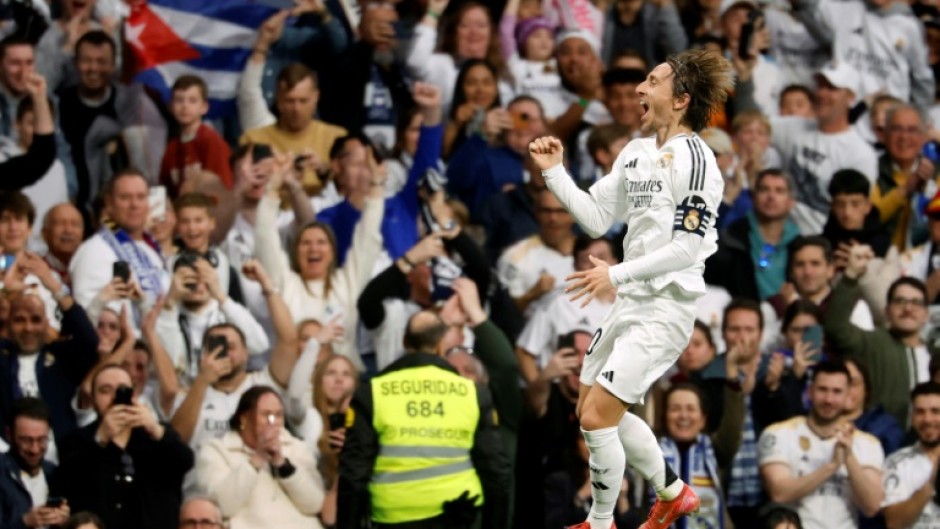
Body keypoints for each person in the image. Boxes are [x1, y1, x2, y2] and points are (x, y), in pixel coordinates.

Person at [527, 48, 734, 529]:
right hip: (632, 299)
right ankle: (673, 491)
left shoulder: (697, 160)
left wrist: (615, 273)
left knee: (599, 415)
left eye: (652, 82)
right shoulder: (636, 152)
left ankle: (601, 522)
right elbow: (597, 216)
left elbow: (686, 249)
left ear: (681, 98)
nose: (640, 90)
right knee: (589, 410)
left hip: (666, 306)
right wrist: (555, 172)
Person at [337, 309, 511, 529]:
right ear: (440, 345)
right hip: (456, 515)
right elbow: (497, 472)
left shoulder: (372, 392)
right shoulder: (473, 393)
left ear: (404, 342)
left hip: (393, 518)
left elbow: (353, 475)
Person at [53, 365, 194, 529]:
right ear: (94, 400)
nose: (115, 397)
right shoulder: (77, 440)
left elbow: (186, 461)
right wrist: (100, 440)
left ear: (134, 394)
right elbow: (67, 482)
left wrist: (156, 430)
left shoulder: (156, 435)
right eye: (105, 391)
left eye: (122, 390)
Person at [758, 360, 884, 529]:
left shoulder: (867, 443)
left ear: (848, 397)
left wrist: (849, 457)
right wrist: (831, 466)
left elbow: (872, 506)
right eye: (822, 390)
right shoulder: (779, 434)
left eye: (837, 392)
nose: (828, 399)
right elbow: (779, 494)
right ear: (809, 392)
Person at [826, 248, 932, 426]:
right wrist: (851, 277)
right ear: (886, 311)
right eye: (900, 301)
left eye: (916, 302)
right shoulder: (873, 342)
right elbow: (836, 328)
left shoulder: (935, 354)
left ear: (926, 314)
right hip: (880, 439)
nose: (908, 308)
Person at [194, 387, 324, 529]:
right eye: (266, 414)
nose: (272, 422)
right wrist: (257, 459)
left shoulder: (297, 448)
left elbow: (315, 504)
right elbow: (223, 506)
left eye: (278, 415)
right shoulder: (216, 451)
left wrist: (282, 464)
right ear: (244, 419)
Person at [159, 75, 233, 198]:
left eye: (192, 101)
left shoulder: (212, 142)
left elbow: (222, 190)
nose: (185, 106)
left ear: (204, 107)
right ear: (171, 106)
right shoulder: (172, 148)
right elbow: (167, 192)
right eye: (179, 100)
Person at [0, 398, 69, 529]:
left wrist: (66, 522)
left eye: (42, 440)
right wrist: (24, 522)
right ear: (9, 435)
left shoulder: (55, 474)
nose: (35, 449)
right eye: (26, 440)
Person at [881, 382, 940, 528]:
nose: (927, 419)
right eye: (920, 412)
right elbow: (893, 523)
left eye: (935, 411)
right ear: (912, 417)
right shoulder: (896, 463)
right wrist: (931, 485)